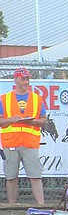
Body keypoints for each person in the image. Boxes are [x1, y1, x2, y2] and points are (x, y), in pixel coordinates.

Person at [1, 67, 48, 205]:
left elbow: (44, 120)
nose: (26, 82)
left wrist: (32, 121)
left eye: (27, 79)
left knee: (35, 176)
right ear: (15, 79)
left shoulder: (37, 99)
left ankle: (41, 206)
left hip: (30, 144)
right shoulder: (4, 99)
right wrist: (12, 119)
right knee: (11, 177)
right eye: (23, 78)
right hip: (11, 143)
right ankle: (11, 207)